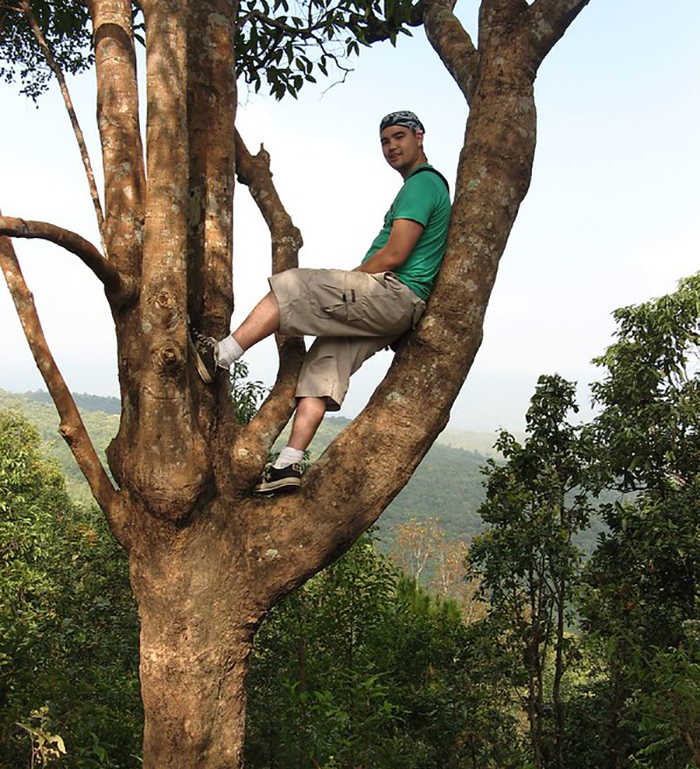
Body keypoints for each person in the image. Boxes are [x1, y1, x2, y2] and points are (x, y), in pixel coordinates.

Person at [189, 110, 451, 493]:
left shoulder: (422, 184)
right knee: (323, 365)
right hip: (400, 309)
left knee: (294, 286)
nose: (391, 146)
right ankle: (288, 463)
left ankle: (221, 356)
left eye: (399, 137)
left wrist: (355, 278)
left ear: (419, 136)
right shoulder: (426, 187)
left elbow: (395, 254)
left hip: (391, 292)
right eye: (385, 141)